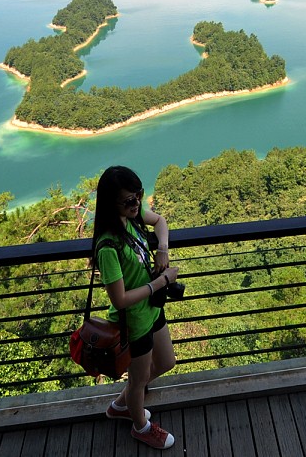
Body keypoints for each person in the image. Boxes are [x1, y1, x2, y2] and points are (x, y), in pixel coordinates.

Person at [91, 165, 180, 450]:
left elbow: (161, 221)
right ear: (111, 203)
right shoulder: (108, 246)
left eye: (138, 196)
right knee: (139, 380)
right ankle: (140, 426)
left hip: (152, 310)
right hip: (134, 322)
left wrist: (162, 249)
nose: (137, 203)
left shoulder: (132, 215)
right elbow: (120, 300)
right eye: (129, 200)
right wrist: (162, 281)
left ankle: (122, 404)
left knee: (166, 362)